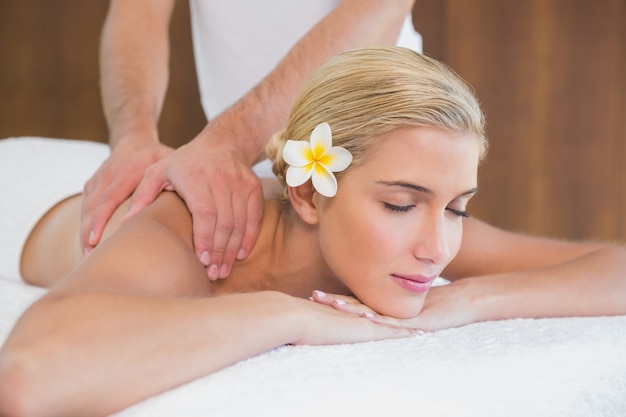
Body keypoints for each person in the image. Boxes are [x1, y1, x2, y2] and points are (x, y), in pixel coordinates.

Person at [1, 47, 625, 416]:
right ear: (306, 192)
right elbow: (28, 377)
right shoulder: (194, 232)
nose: (438, 249)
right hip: (24, 189)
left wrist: (468, 299)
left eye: (457, 207)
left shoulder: (407, 228)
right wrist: (287, 316)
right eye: (402, 204)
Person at [83, 0, 422, 280]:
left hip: (378, 131)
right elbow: (137, 11)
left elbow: (379, 7)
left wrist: (228, 143)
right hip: (244, 159)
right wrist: (134, 136)